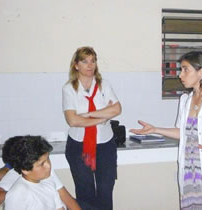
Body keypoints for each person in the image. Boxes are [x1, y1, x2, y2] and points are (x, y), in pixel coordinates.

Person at [130, 51, 202, 209]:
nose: (180, 75)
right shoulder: (185, 100)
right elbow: (182, 133)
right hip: (191, 177)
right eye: (180, 70)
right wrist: (155, 129)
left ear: (201, 72)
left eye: (185, 70)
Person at [62, 46, 122, 210]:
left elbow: (117, 110)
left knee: (105, 189)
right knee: (85, 192)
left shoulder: (104, 85)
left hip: (105, 144)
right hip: (78, 145)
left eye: (93, 61)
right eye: (85, 61)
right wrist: (102, 116)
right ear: (76, 65)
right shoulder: (69, 89)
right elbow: (72, 121)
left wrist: (87, 115)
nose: (90, 65)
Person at [0, 136, 81, 209]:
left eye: (48, 159)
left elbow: (60, 207)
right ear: (25, 170)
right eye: (42, 164)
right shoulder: (18, 193)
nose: (48, 165)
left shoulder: (48, 180)